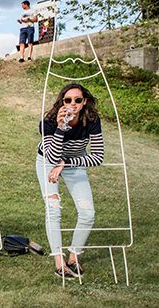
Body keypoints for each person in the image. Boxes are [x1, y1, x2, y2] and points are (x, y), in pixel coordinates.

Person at [37, 83, 103, 279]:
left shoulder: (91, 120)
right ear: (61, 102)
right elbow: (51, 157)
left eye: (78, 100)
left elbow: (98, 157)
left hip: (72, 163)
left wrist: (66, 163)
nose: (72, 104)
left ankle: (74, 256)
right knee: (53, 208)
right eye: (68, 100)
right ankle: (59, 261)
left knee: (87, 212)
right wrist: (61, 127)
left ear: (84, 103)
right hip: (48, 162)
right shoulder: (48, 122)